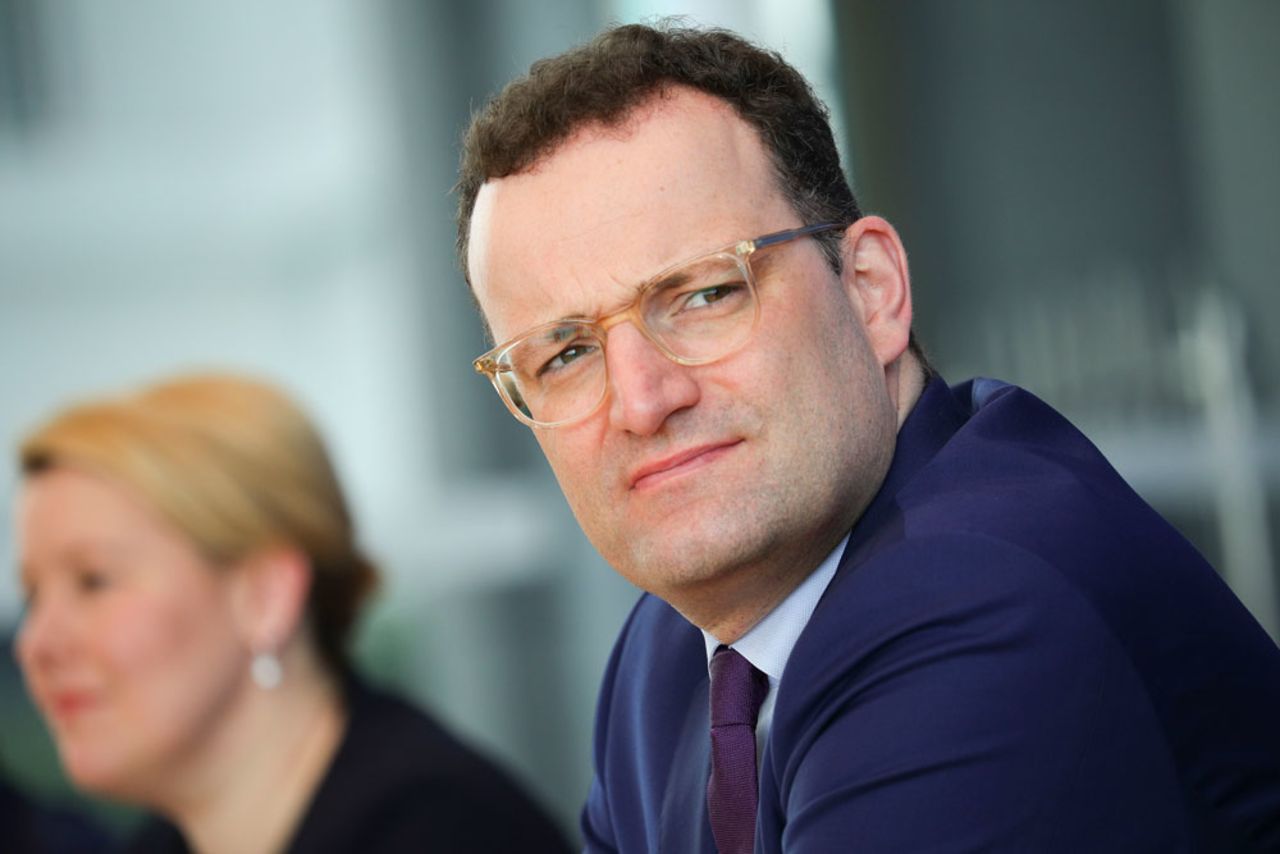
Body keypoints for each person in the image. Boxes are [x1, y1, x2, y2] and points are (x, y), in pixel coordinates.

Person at [456, 22, 1280, 853]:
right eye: (564, 353)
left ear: (872, 291)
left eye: (705, 295)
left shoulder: (981, 600)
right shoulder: (663, 661)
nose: (641, 400)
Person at [15, 374, 571, 854]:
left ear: (264, 597)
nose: (35, 643)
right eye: (32, 595)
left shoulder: (446, 831)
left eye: (94, 581)